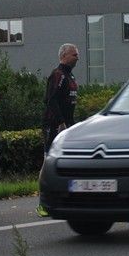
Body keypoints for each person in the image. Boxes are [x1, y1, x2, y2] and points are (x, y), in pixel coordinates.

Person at [37, 43, 80, 217]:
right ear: (64, 56)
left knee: (70, 163)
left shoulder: (71, 77)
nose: (77, 57)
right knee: (48, 163)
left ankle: (69, 199)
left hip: (68, 126)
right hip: (54, 126)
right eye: (74, 55)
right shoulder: (58, 75)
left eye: (77, 55)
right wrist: (61, 122)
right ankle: (42, 203)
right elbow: (51, 100)